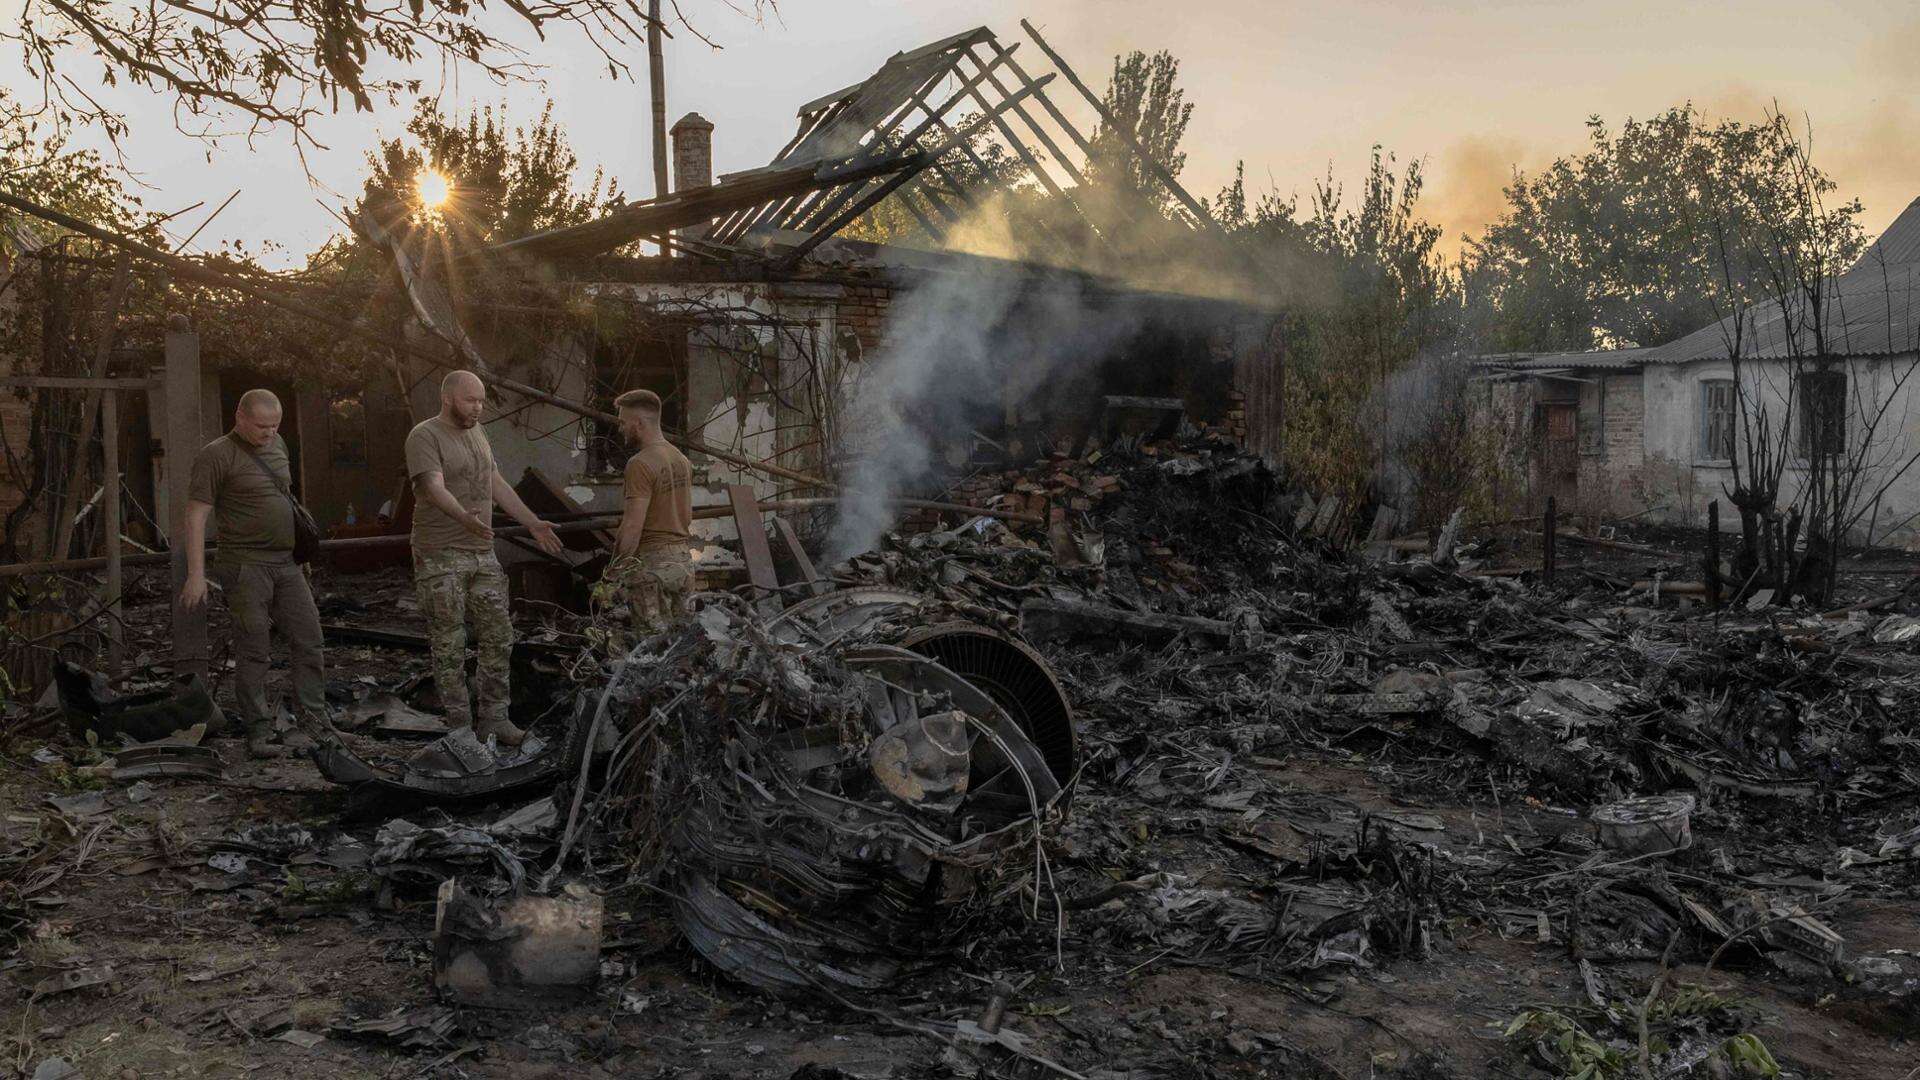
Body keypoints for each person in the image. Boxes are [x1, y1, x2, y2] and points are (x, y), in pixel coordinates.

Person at [405, 370, 564, 746]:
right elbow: (432, 488)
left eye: (480, 401)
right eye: (469, 400)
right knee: (450, 643)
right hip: (440, 553)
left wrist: (532, 523)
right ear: (448, 399)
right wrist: (463, 516)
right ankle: (459, 729)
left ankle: (495, 718)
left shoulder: (478, 432)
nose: (477, 408)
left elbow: (495, 482)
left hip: (481, 551)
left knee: (498, 636)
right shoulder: (424, 436)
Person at [178, 389, 324, 759]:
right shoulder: (216, 455)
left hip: (286, 563)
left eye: (275, 426)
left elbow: (285, 499)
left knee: (309, 638)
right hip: (245, 564)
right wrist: (196, 574)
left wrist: (300, 552)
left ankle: (317, 724)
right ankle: (259, 732)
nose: (269, 433)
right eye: (261, 426)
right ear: (240, 417)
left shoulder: (279, 446)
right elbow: (195, 516)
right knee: (254, 647)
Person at [602, 388, 694, 640]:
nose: (620, 428)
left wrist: (612, 574)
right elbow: (687, 514)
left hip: (653, 565)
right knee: (681, 648)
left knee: (651, 651)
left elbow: (632, 527)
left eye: (623, 422)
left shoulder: (640, 464)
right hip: (683, 562)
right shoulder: (681, 459)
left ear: (639, 423)